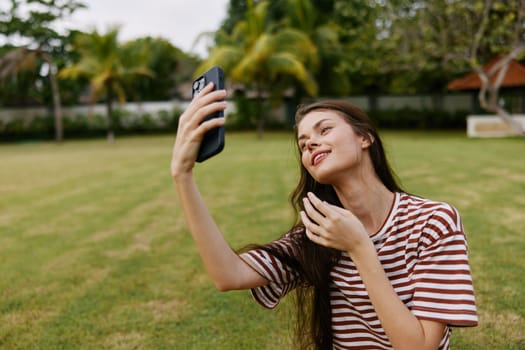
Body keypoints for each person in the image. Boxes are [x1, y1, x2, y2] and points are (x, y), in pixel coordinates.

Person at [170, 82, 478, 350]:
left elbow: (420, 347)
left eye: (325, 129)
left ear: (365, 138)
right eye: (303, 144)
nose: (310, 144)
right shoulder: (317, 234)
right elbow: (229, 275)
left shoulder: (433, 222)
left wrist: (359, 248)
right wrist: (182, 175)